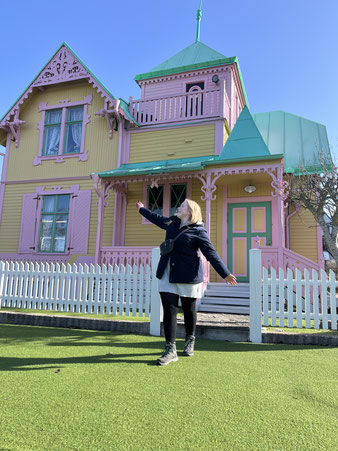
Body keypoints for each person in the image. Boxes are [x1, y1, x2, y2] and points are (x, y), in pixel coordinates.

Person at [136, 199, 237, 366]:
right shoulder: (171, 222)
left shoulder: (199, 231)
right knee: (169, 309)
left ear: (190, 212)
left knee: (189, 309)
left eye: (182, 205)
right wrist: (142, 210)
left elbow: (211, 254)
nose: (179, 207)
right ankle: (170, 349)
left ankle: (190, 340)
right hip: (167, 272)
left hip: (188, 275)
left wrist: (225, 273)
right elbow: (156, 218)